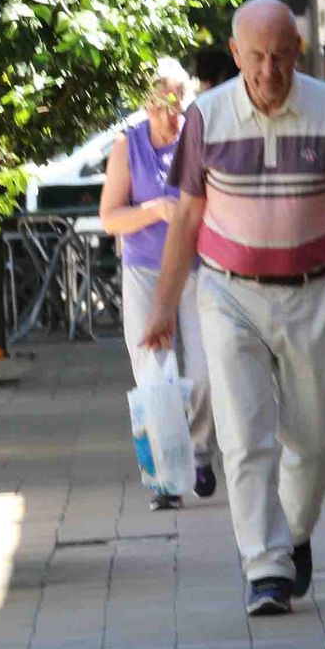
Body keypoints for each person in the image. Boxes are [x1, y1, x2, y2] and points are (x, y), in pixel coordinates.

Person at [141, 0, 325, 617]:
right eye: (256, 57)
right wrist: (163, 307)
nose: (268, 71)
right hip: (228, 294)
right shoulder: (206, 117)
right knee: (244, 435)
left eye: (281, 57)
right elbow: (187, 218)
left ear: (298, 54)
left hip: (311, 291)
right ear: (235, 55)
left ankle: (294, 534)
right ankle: (264, 568)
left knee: (315, 439)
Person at [100, 57, 219, 510]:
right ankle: (164, 478)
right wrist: (154, 210)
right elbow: (110, 217)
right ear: (145, 104)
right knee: (152, 374)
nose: (168, 115)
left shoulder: (202, 141)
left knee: (205, 373)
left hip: (198, 269)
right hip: (146, 271)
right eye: (158, 105)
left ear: (188, 100)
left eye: (176, 103)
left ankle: (201, 452)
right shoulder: (127, 146)